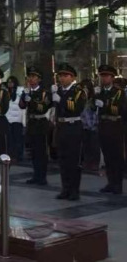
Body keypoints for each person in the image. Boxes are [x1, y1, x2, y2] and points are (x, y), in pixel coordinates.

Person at [53, 63, 87, 201]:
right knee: (63, 160)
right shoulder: (58, 90)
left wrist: (61, 100)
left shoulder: (78, 91)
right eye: (60, 75)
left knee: (73, 160)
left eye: (65, 75)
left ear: (72, 77)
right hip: (61, 127)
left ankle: (74, 190)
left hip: (73, 127)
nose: (62, 78)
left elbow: (76, 108)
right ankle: (65, 188)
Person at [95, 64, 126, 194]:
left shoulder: (118, 92)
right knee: (107, 156)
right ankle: (111, 182)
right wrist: (94, 98)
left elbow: (119, 109)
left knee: (116, 157)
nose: (104, 78)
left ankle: (117, 184)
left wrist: (105, 105)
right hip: (103, 126)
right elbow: (92, 107)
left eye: (106, 76)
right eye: (102, 76)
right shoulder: (100, 92)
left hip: (115, 127)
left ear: (112, 78)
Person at [20, 66, 51, 185]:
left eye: (34, 77)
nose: (31, 79)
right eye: (30, 76)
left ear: (39, 79)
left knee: (41, 152)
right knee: (33, 152)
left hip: (41, 123)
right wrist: (24, 97)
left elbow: (43, 108)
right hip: (31, 123)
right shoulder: (27, 91)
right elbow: (22, 106)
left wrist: (31, 101)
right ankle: (35, 175)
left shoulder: (44, 92)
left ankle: (42, 176)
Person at [80, 79, 100, 172]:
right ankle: (86, 162)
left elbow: (95, 109)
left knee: (94, 145)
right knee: (85, 145)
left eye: (86, 87)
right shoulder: (80, 97)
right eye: (83, 87)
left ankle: (94, 163)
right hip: (83, 124)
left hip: (93, 124)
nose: (85, 89)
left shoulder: (94, 98)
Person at [5, 76, 25, 162]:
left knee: (18, 139)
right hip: (8, 118)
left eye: (11, 82)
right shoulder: (6, 92)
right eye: (8, 82)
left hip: (18, 119)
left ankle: (18, 156)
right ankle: (10, 155)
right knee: (10, 139)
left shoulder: (20, 91)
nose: (10, 84)